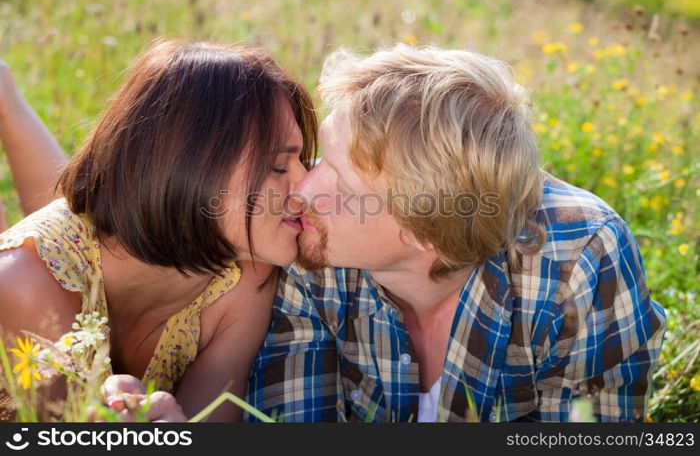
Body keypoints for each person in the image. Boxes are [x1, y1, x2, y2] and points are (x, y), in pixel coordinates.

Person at [246, 45, 667, 422]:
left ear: (423, 230)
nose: (301, 190)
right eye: (323, 158)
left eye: (341, 183)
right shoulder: (312, 246)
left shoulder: (581, 259)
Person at [0, 40, 317, 421]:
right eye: (279, 166)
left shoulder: (246, 275)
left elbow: (210, 423)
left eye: (302, 160)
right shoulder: (23, 285)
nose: (307, 186)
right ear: (193, 167)